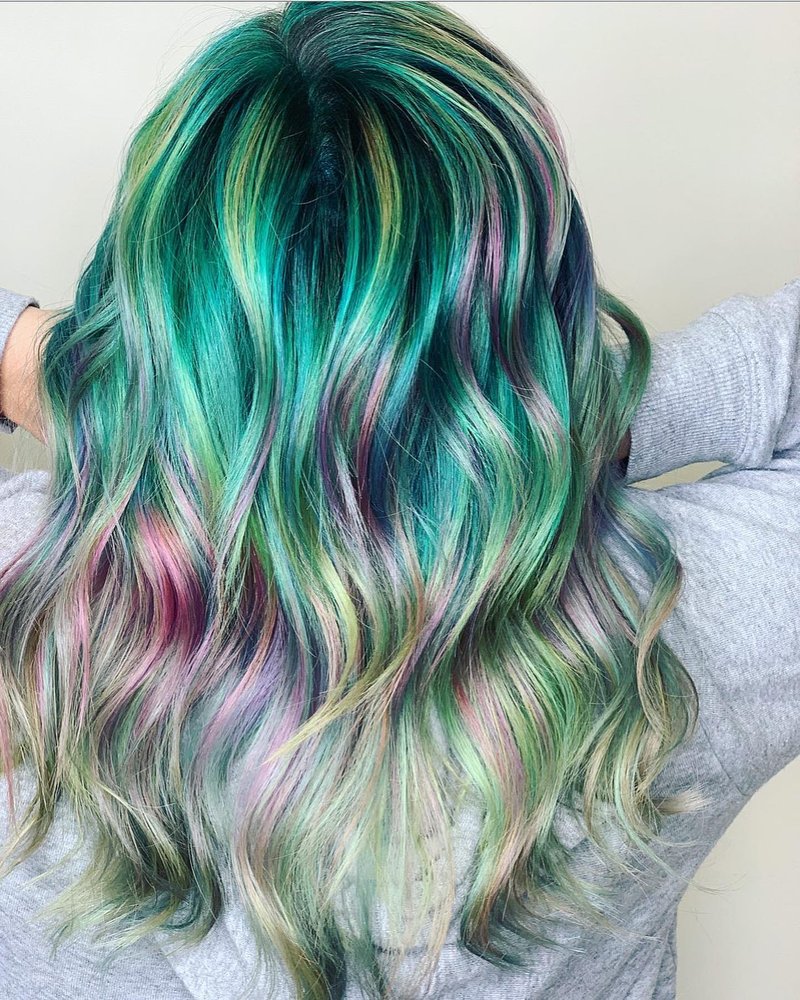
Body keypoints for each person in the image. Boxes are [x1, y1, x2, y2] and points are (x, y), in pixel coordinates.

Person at [0, 3, 798, 998]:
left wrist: (55, 371)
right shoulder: (674, 625)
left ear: (155, 301)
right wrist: (545, 430)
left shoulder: (30, 594)